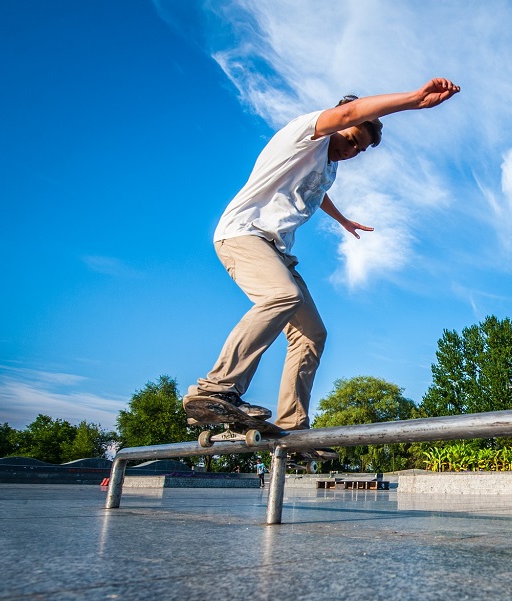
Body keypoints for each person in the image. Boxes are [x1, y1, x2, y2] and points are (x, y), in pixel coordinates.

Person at [184, 78, 461, 431]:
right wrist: (415, 100)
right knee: (282, 295)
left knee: (312, 333)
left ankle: (293, 425)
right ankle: (217, 388)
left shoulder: (327, 166)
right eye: (350, 140)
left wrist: (342, 219)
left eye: (358, 151)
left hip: (276, 250)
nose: (350, 152)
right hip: (243, 234)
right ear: (339, 124)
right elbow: (350, 111)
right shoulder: (306, 132)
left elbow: (317, 192)